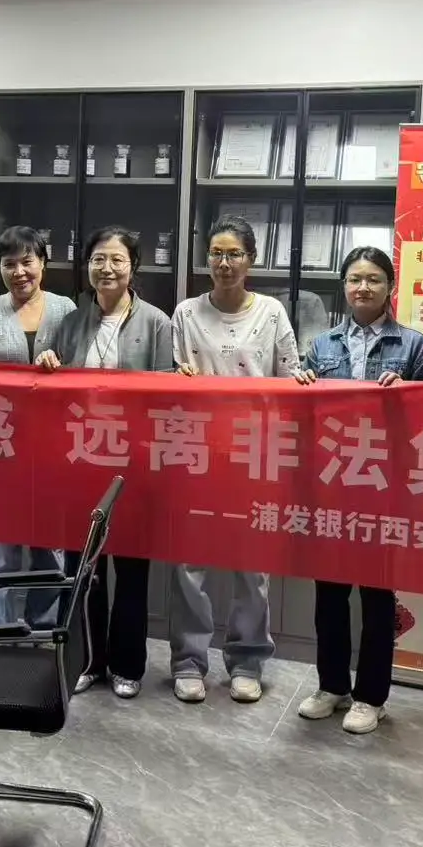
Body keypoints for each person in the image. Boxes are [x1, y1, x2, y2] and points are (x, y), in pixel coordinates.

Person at [292, 246, 423, 733]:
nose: (363, 287)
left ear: (389, 286)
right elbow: (306, 419)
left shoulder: (413, 345)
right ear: (344, 286)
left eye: (373, 279)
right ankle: (332, 686)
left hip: (384, 489)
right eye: (355, 279)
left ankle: (371, 697)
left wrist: (409, 393)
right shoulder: (322, 344)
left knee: (377, 598)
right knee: (329, 594)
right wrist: (301, 385)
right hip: (332, 485)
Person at [38, 224, 175, 698]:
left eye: (117, 260)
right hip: (81, 460)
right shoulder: (73, 320)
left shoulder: (157, 322)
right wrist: (49, 362)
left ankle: (127, 665)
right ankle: (87, 660)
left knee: (132, 570)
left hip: (135, 464)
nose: (107, 268)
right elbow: (53, 383)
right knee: (84, 569)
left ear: (133, 267)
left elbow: (165, 394)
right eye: (99, 259)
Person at [168, 215, 300, 704]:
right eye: (217, 254)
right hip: (198, 451)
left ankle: (247, 660)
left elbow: (290, 378)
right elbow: (172, 378)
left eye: (235, 254)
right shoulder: (186, 313)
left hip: (254, 452)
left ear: (251, 260)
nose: (224, 263)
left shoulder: (271, 313)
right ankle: (189, 661)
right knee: (190, 563)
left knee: (252, 565)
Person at [0, 225, 76, 628]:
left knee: (50, 550)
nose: (19, 272)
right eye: (9, 264)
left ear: (43, 263)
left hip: (54, 448)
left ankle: (43, 629)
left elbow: (82, 371)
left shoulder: (66, 309)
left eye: (27, 261)